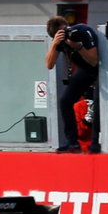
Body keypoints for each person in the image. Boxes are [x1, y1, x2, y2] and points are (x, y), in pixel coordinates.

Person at [45, 16, 99, 153]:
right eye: (61, 33)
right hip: (84, 70)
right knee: (65, 101)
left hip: (102, 68)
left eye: (66, 30)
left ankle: (96, 142)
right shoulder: (59, 41)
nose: (67, 33)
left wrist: (77, 46)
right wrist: (54, 44)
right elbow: (49, 64)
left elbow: (94, 61)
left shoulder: (82, 31)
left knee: (99, 103)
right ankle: (72, 143)